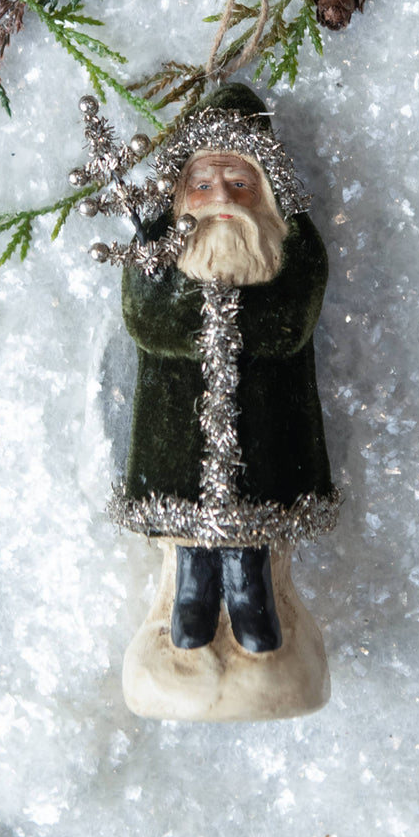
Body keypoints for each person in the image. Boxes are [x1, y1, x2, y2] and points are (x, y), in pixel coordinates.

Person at [109, 83, 339, 658]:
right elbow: (146, 321)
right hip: (176, 425)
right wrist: (203, 313)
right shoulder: (158, 246)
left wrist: (227, 317)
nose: (222, 197)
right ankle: (192, 590)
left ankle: (250, 588)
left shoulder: (292, 245)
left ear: (262, 186)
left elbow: (291, 322)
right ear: (183, 190)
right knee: (187, 527)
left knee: (255, 522)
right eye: (205, 184)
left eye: (238, 183)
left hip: (268, 416)